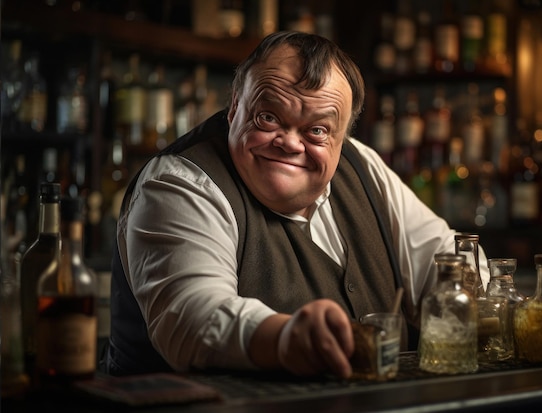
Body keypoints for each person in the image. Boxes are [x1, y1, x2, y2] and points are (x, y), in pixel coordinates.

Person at [103, 31, 490, 379]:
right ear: (235, 105)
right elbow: (192, 319)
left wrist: (484, 297)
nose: (290, 143)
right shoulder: (180, 182)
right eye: (269, 117)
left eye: (317, 130)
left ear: (343, 138)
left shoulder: (362, 166)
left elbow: (449, 257)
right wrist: (285, 336)